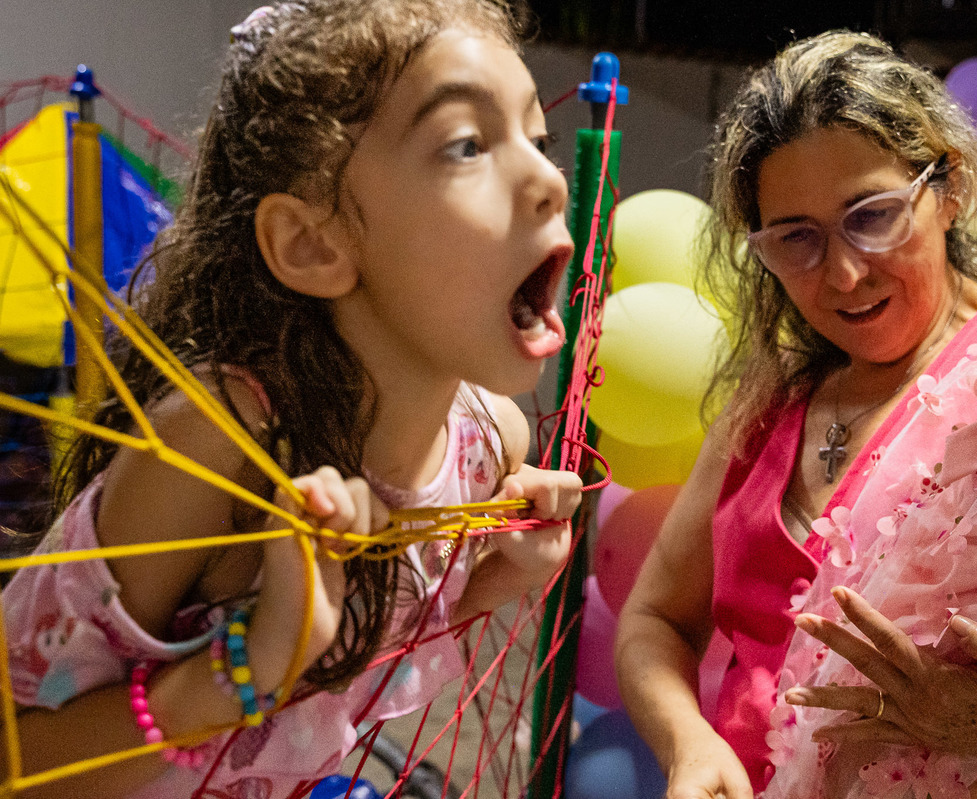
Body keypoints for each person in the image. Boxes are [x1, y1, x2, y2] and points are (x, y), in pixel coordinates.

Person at [1, 1, 582, 797]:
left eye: (537, 141)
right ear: (314, 243)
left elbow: (365, 666)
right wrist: (253, 661)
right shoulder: (219, 441)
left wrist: (493, 581)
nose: (549, 180)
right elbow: (19, 759)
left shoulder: (489, 448)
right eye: (468, 144)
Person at [613, 30, 977, 799]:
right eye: (797, 240)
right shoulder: (772, 403)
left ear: (949, 186)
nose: (846, 270)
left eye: (872, 215)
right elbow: (653, 619)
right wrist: (689, 744)